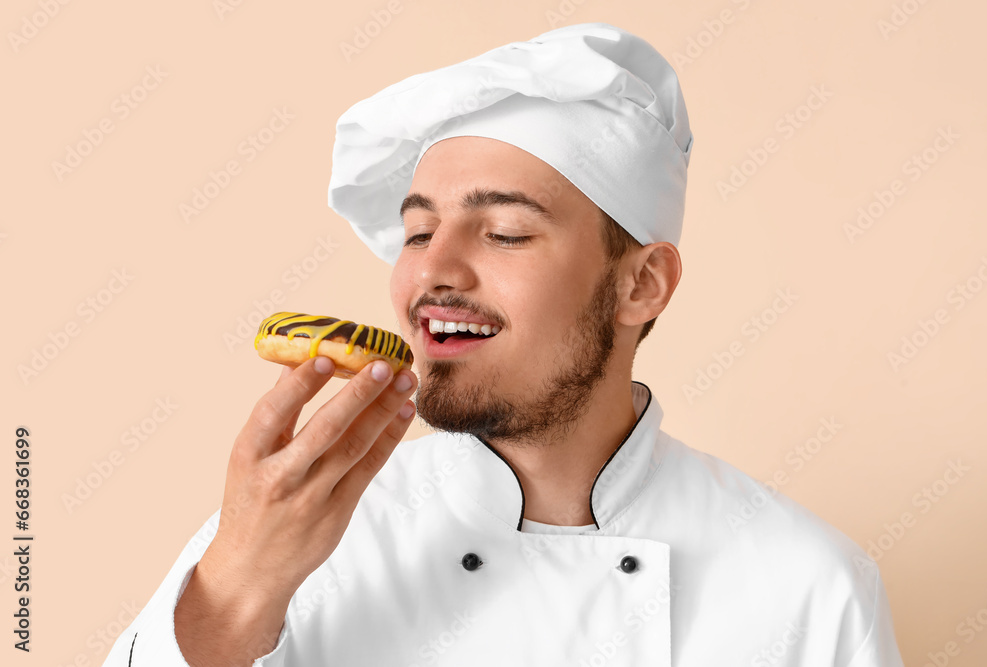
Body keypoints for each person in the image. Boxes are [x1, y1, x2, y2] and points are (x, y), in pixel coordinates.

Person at [105, 22, 905, 666]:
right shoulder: (302, 538)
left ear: (642, 284)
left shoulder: (805, 586)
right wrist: (237, 585)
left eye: (506, 232)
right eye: (416, 231)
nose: (431, 270)